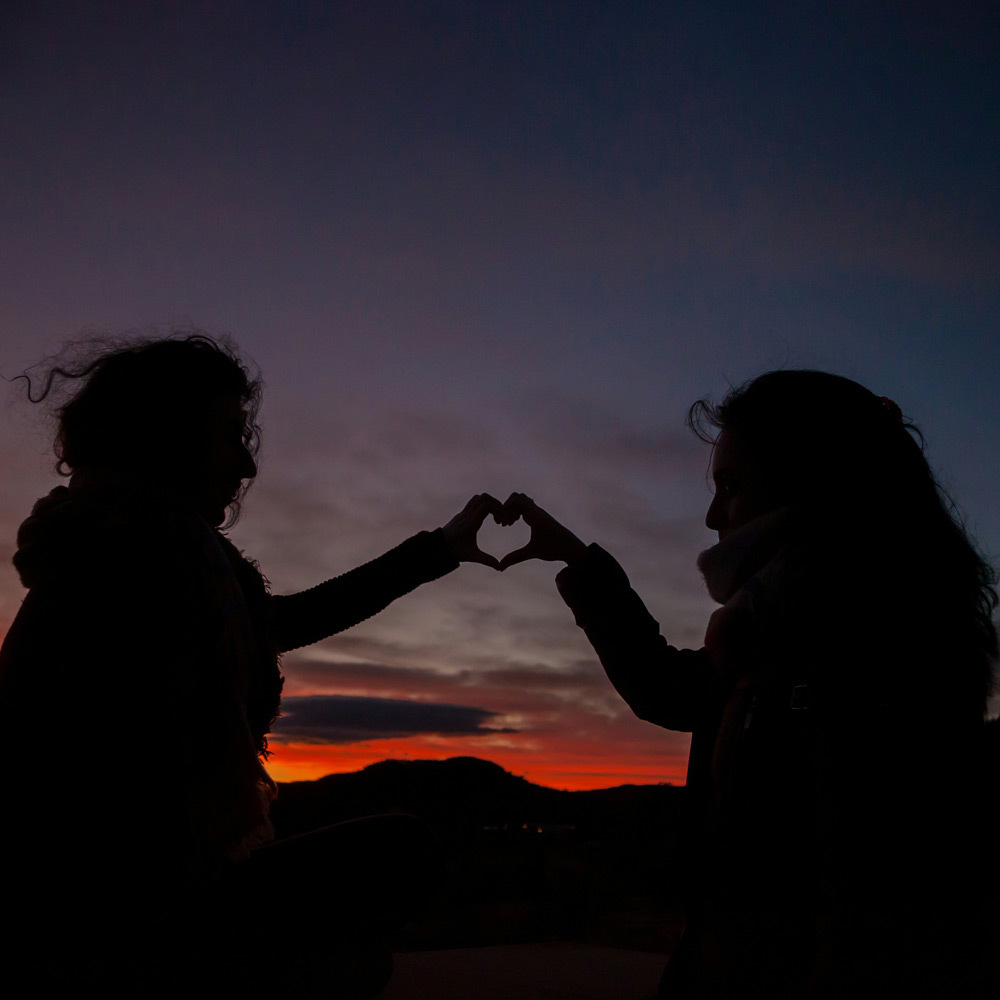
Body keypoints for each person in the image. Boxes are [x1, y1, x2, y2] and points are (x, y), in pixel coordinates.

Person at [0, 334, 501, 996]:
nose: (247, 466)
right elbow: (94, 826)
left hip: (132, 898)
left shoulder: (159, 559)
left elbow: (277, 624)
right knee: (394, 859)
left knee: (379, 880)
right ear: (167, 440)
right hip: (104, 926)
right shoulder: (124, 573)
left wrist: (438, 549)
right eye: (230, 436)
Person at [496, 370, 998, 998]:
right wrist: (574, 558)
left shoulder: (880, 652)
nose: (711, 516)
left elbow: (872, 925)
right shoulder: (772, 634)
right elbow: (671, 689)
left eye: (730, 486)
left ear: (812, 484)